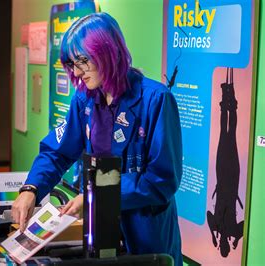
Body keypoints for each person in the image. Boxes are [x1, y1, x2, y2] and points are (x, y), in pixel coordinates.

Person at [12, 12, 183, 265]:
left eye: (82, 61)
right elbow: (57, 152)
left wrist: (96, 195)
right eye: (72, 63)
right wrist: (31, 188)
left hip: (147, 234)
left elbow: (161, 180)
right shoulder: (85, 100)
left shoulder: (155, 100)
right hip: (101, 230)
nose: (77, 71)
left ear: (107, 52)